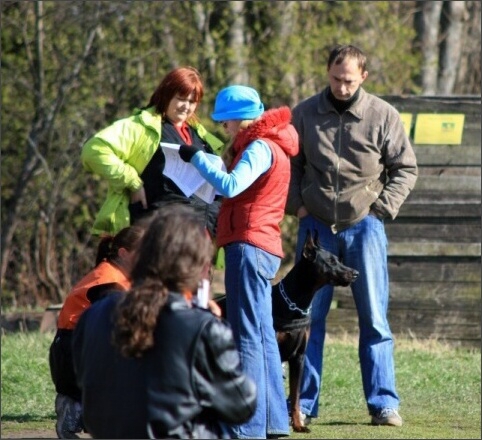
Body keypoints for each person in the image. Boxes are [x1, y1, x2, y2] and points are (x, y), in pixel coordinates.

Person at [285, 44, 418, 427]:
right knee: (307, 318)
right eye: (335, 79)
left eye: (349, 80)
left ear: (363, 76)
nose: (341, 87)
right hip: (315, 228)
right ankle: (303, 404)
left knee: (375, 317)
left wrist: (380, 208)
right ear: (327, 73)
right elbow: (289, 165)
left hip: (365, 228)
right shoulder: (305, 114)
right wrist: (299, 206)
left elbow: (405, 169)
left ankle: (383, 404)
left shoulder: (383, 115)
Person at [71, 204, 257, 439]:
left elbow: (86, 380)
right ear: (197, 267)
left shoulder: (92, 316)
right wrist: (214, 326)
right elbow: (242, 405)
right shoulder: (203, 327)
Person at [178, 85, 299, 438]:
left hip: (248, 244)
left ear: (239, 118)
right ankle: (274, 421)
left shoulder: (259, 146)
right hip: (263, 245)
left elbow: (231, 186)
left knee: (246, 336)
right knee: (262, 336)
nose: (226, 130)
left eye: (226, 123)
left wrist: (196, 159)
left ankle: (246, 427)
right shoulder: (276, 143)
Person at [81, 66, 224, 239]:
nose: (186, 107)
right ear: (166, 94)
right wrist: (133, 182)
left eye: (192, 102)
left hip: (201, 239)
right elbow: (94, 150)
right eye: (181, 99)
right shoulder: (141, 127)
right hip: (159, 235)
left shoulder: (202, 136)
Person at [49, 224, 146, 438]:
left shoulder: (116, 275)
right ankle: (76, 408)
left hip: (74, 352)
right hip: (72, 359)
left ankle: (80, 404)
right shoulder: (109, 283)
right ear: (123, 254)